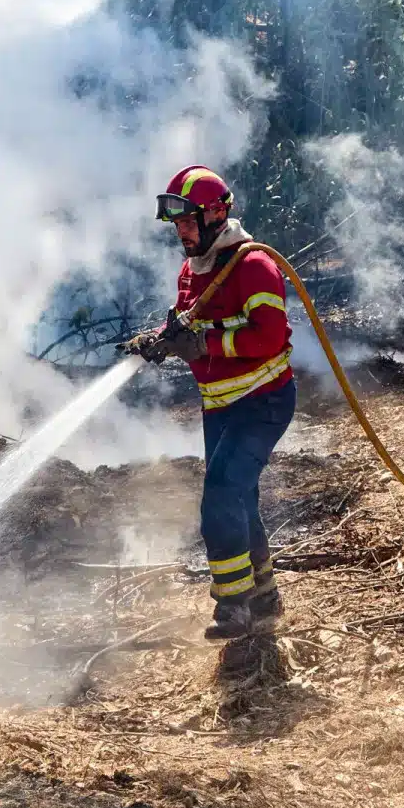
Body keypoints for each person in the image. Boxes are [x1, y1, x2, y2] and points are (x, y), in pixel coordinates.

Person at [122, 165, 295, 642]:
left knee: (219, 497)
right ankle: (264, 600)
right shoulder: (192, 269)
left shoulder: (253, 266)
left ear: (217, 213)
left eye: (188, 222)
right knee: (241, 498)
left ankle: (233, 608)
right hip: (219, 404)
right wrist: (159, 340)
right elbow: (189, 323)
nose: (181, 232)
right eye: (176, 225)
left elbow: (269, 335)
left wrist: (206, 348)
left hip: (262, 402)